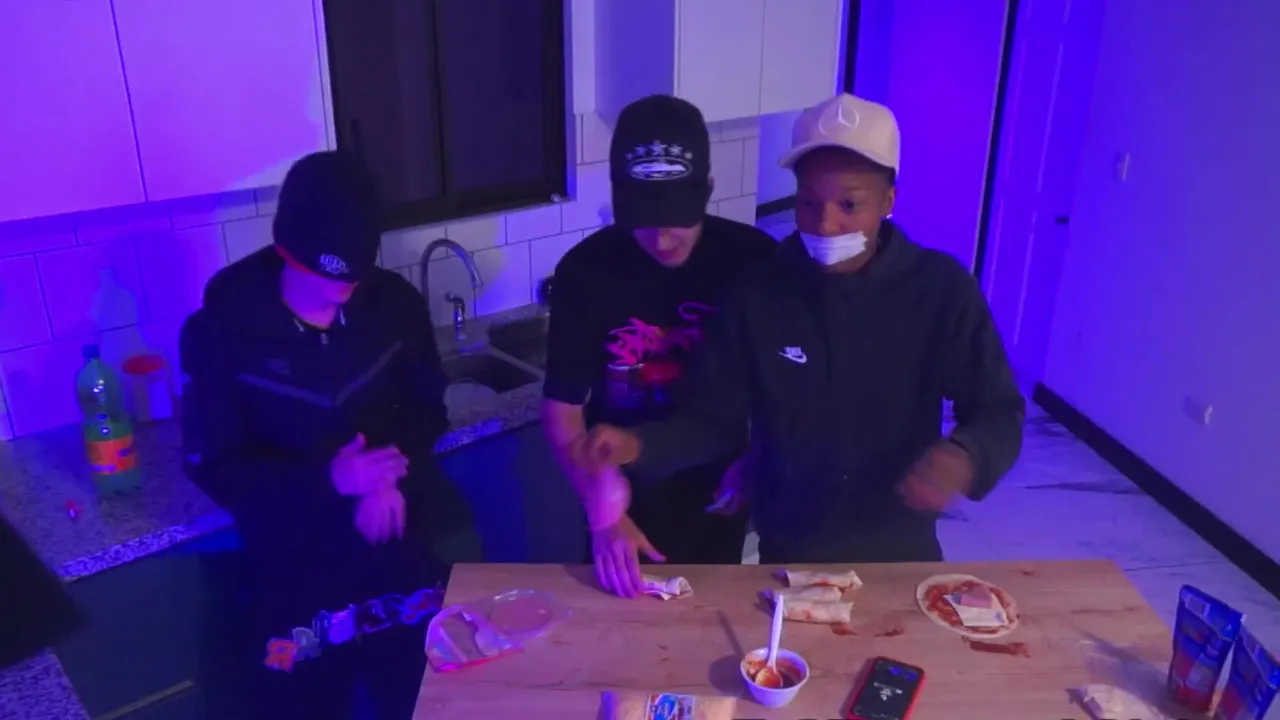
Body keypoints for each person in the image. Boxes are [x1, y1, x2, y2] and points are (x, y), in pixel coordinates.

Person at [572, 94, 1025, 565]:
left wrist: (965, 456)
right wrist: (638, 445)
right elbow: (711, 421)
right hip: (789, 553)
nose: (825, 225)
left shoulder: (940, 290)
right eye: (808, 202)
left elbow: (998, 408)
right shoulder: (759, 292)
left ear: (888, 201)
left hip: (900, 551)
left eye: (849, 204)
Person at [180, 151, 480, 719]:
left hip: (395, 545)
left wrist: (387, 476)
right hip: (293, 566)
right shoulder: (220, 331)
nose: (342, 286)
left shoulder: (395, 306)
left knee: (424, 699)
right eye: (326, 272)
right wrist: (332, 481)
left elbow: (426, 407)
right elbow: (215, 466)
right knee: (305, 705)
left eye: (354, 272)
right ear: (288, 250)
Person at [541, 95, 777, 596]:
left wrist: (756, 460)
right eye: (645, 220)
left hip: (719, 491)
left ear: (707, 188)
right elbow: (563, 411)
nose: (663, 240)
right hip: (617, 496)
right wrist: (603, 514)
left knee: (706, 620)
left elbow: (777, 389)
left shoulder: (752, 260)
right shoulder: (585, 272)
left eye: (678, 219)